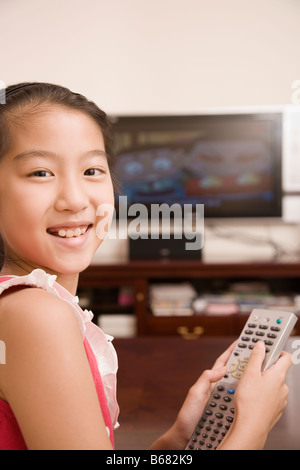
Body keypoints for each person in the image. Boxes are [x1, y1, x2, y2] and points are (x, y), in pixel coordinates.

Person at [0, 82, 292, 450]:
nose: (75, 199)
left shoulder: (27, 306)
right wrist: (252, 425)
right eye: (41, 172)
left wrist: (176, 438)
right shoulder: (34, 314)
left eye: (92, 170)